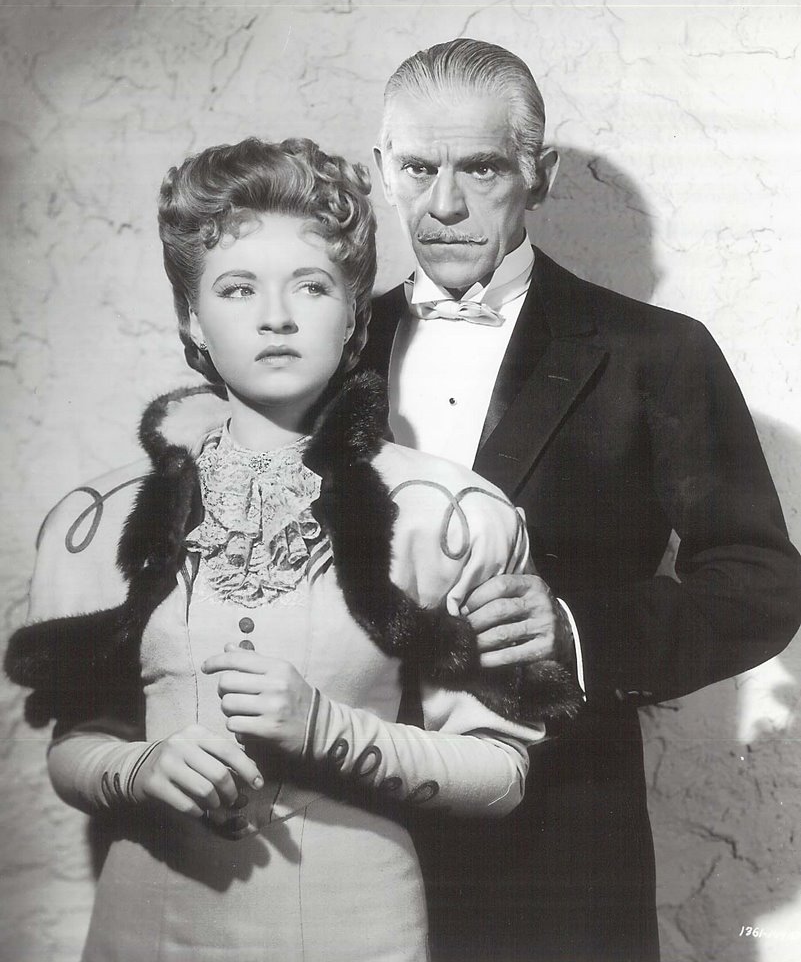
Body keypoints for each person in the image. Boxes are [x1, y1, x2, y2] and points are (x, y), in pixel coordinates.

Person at [5, 136, 582, 962]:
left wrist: (326, 730)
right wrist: (140, 767)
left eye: (310, 286)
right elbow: (72, 749)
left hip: (356, 932)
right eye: (236, 288)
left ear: (352, 315)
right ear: (191, 318)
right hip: (143, 930)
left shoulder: (445, 514)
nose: (275, 317)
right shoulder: (104, 517)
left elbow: (500, 775)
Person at [361, 38, 801, 962]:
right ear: (382, 169)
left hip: (560, 835)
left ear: (539, 174)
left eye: (481, 168)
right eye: (419, 168)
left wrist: (573, 626)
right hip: (345, 820)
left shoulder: (657, 353)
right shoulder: (323, 347)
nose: (444, 204)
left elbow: (760, 581)